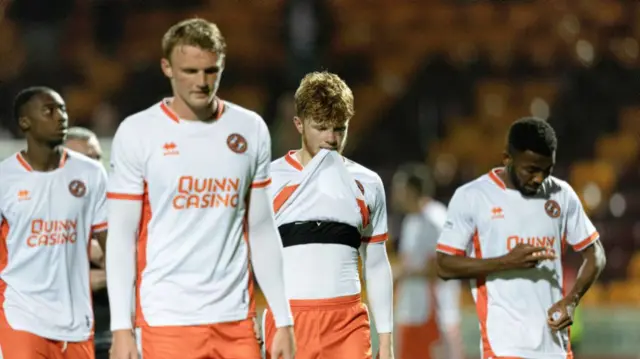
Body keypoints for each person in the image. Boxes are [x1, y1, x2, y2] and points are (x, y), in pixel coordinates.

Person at [105, 18, 295, 359]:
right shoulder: (138, 132)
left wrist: (284, 318)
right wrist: (121, 327)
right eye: (190, 71)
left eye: (211, 71)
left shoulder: (249, 129)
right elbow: (122, 235)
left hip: (235, 319)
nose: (202, 82)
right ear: (166, 67)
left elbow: (263, 227)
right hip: (166, 319)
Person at [436, 117, 607, 359]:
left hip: (556, 348)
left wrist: (572, 299)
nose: (539, 178)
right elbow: (444, 265)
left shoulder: (562, 193)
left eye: (547, 170)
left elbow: (596, 253)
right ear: (507, 159)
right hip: (504, 347)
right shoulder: (473, 197)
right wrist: (506, 262)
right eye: (531, 170)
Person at [263, 71, 394, 359]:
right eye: (321, 127)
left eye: (340, 129)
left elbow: (376, 262)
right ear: (299, 124)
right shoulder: (268, 179)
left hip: (348, 322)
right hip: (290, 319)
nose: (331, 139)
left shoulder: (368, 182)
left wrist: (386, 341)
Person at [0, 86, 108, 359]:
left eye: (62, 109)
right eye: (49, 110)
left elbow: (114, 247)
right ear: (25, 122)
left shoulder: (90, 173)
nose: (60, 117)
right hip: (20, 317)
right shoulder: (5, 178)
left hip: (77, 323)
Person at [391, 163, 464, 359]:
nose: (395, 194)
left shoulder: (435, 219)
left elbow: (444, 266)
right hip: (411, 310)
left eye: (400, 189)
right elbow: (409, 262)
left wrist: (402, 274)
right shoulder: (411, 220)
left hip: (434, 312)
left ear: (412, 190)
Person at [64, 127, 107, 291]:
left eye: (98, 158)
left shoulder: (114, 205)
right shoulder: (37, 206)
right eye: (86, 160)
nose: (95, 167)